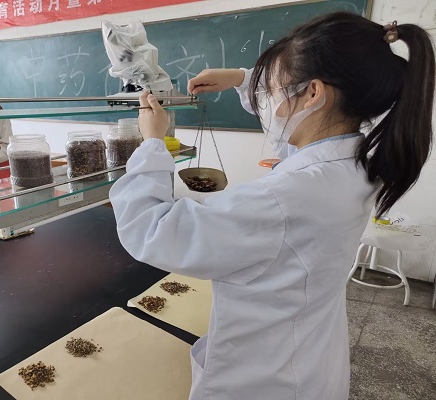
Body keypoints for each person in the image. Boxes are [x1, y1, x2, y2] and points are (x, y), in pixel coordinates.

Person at [109, 12, 434, 400]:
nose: (266, 99)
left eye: (273, 89)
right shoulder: (355, 162)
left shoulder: (283, 198)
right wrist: (241, 79)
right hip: (308, 358)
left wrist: (152, 143)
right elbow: (297, 130)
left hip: (266, 380)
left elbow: (152, 231)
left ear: (313, 93)